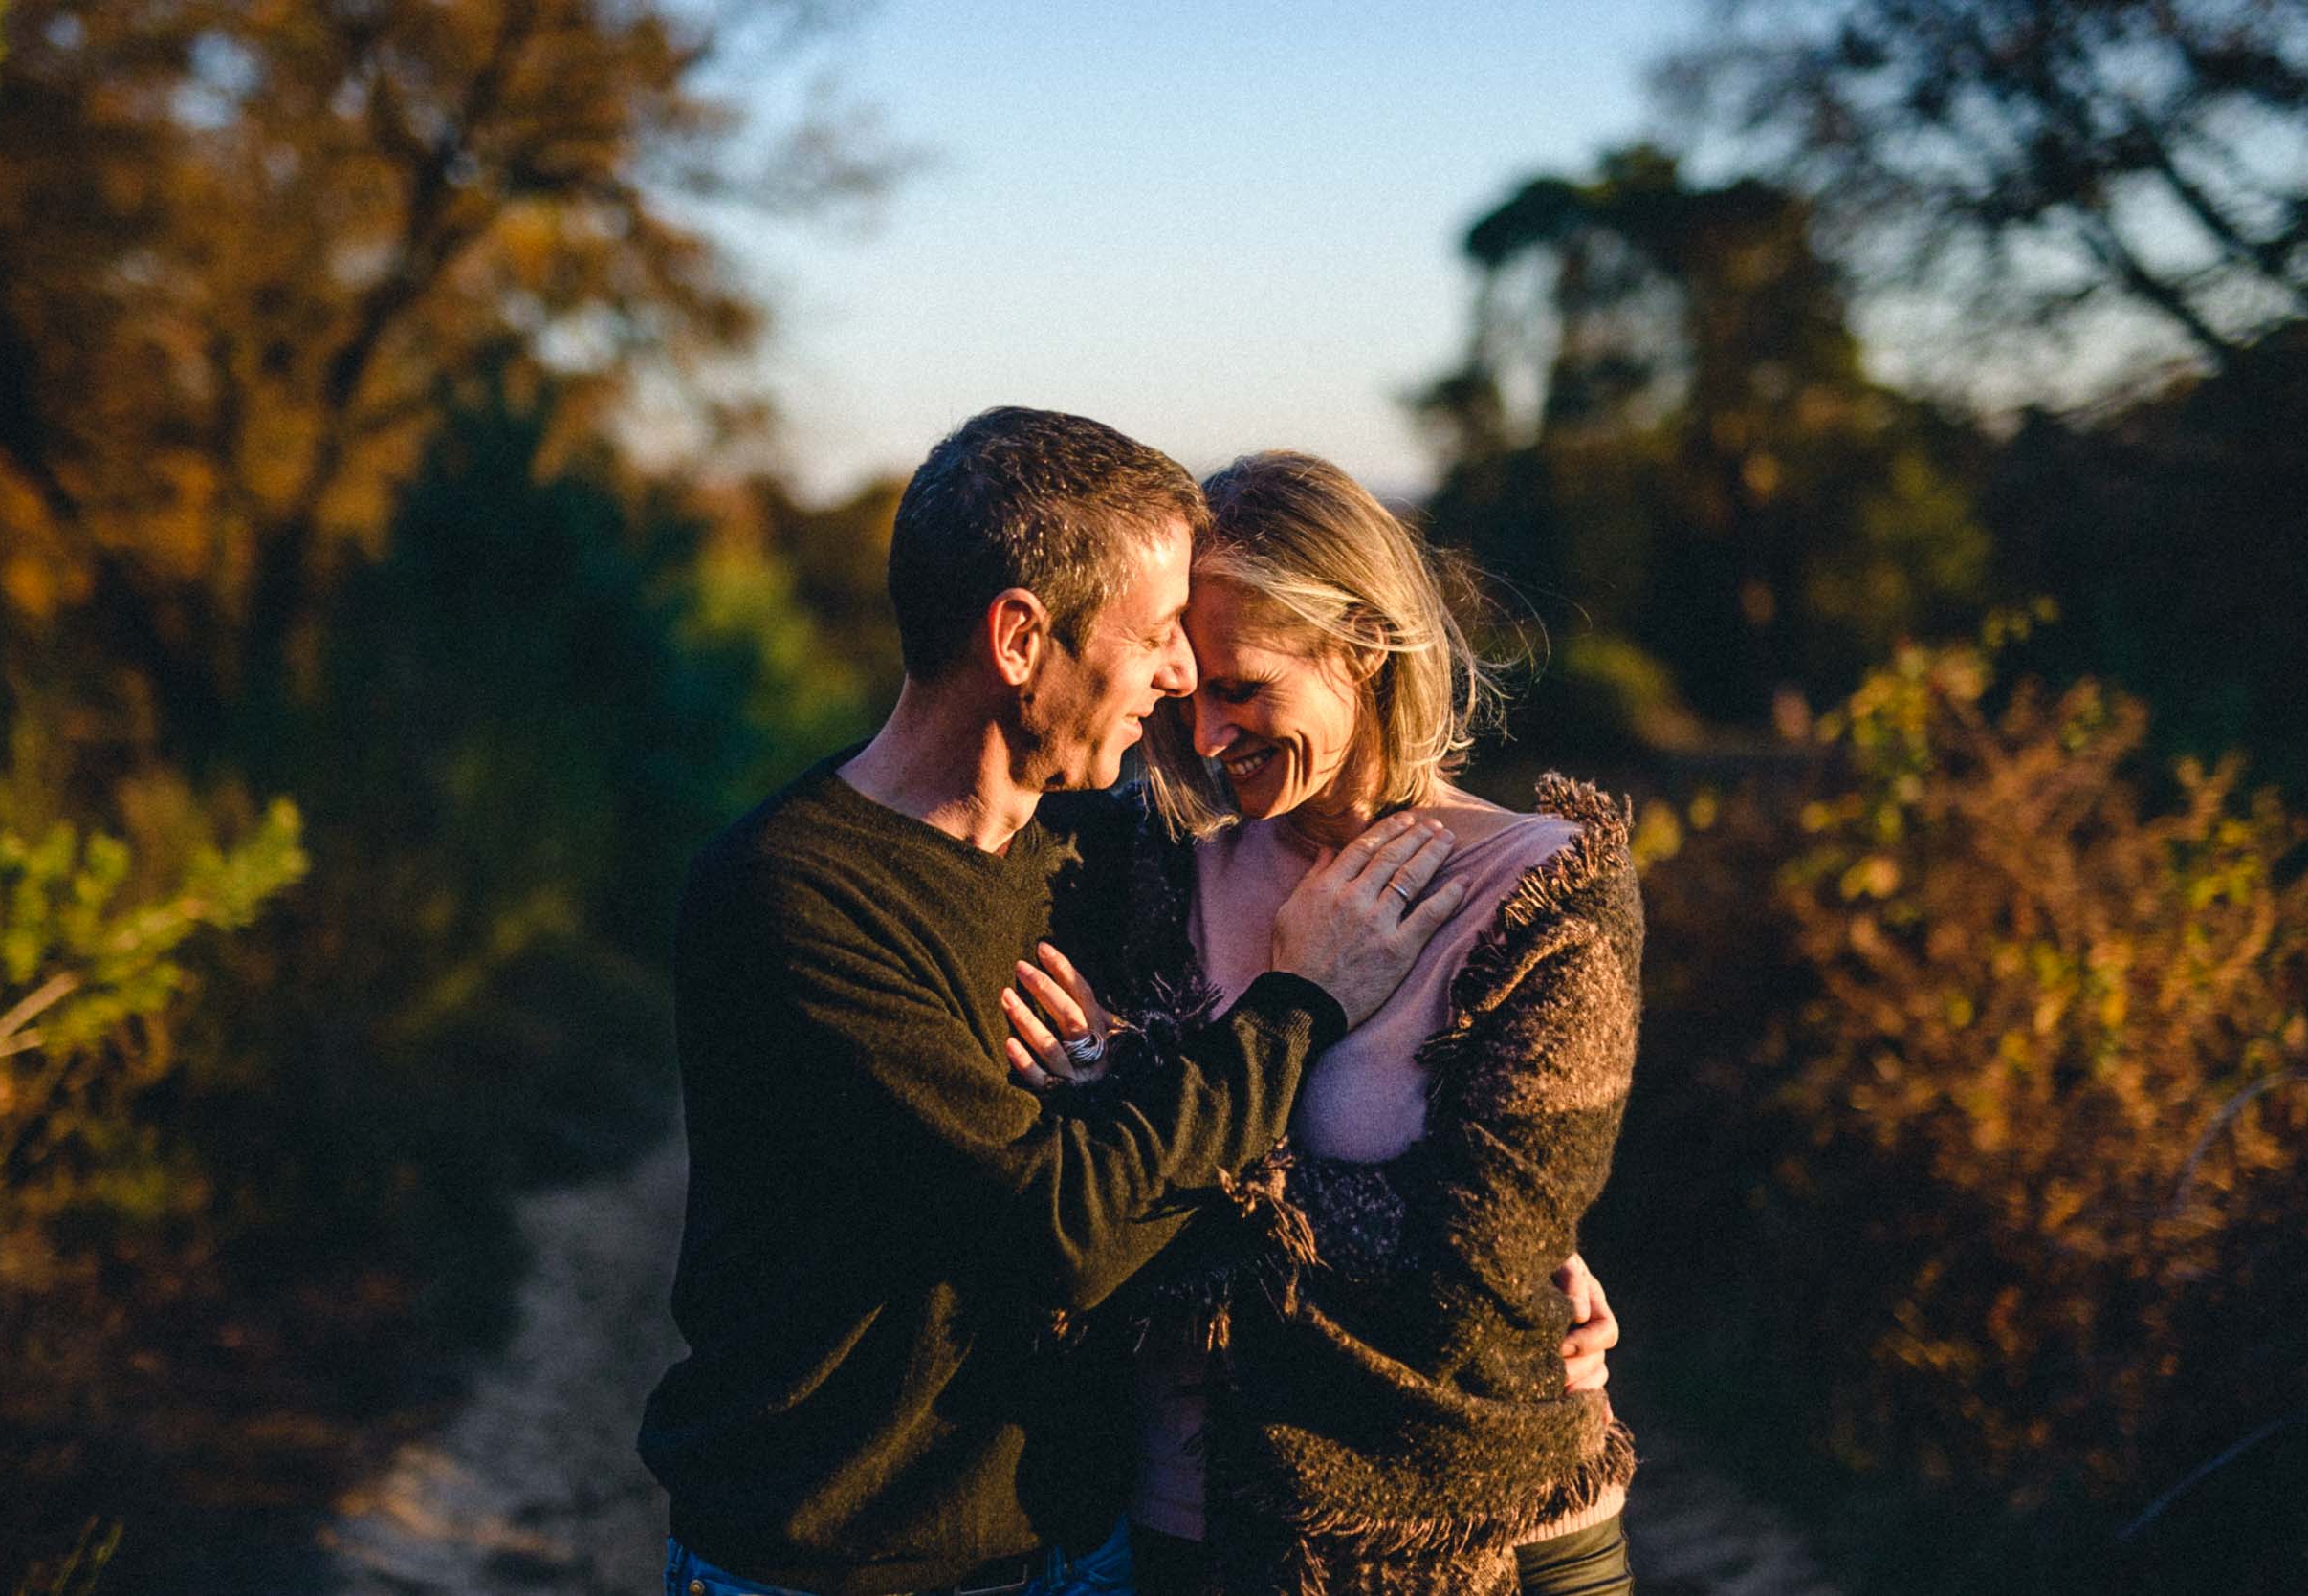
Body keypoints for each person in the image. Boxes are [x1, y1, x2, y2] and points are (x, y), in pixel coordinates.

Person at [637, 409, 1484, 1596]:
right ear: (1021, 636)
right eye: (1157, 637)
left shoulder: (1087, 863)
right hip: (839, 1560)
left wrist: (1502, 1267)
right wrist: (1297, 1008)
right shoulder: (789, 897)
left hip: (1085, 1542)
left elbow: (1184, 1161)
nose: (1185, 678)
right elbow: (1063, 1231)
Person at [997, 451, 1641, 1596]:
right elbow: (1056, 1222)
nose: (1201, 734)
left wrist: (1134, 1096)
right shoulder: (1143, 871)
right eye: (1186, 684)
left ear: (1362, 645)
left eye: (1243, 689)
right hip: (1187, 1534)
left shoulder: (1545, 893)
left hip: (1485, 1534)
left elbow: (1474, 1292)